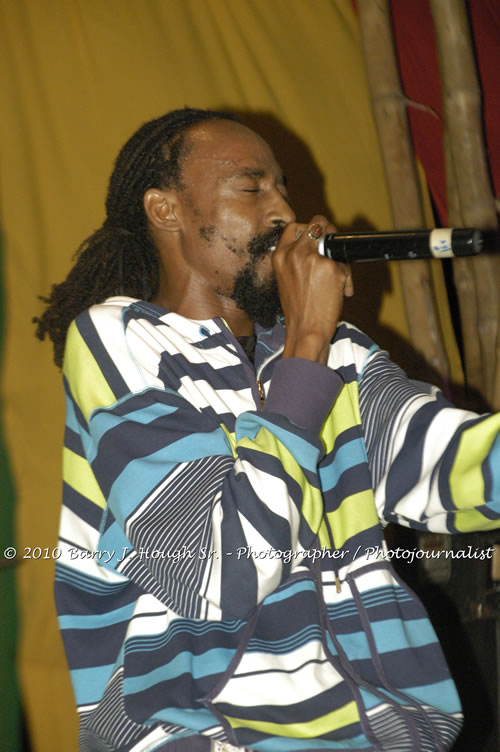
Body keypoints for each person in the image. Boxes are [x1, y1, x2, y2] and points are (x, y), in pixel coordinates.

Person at [35, 107, 500, 752]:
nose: (284, 212)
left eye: (284, 188)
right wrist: (308, 342)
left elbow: (453, 465)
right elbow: (218, 570)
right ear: (165, 209)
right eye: (252, 188)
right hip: (204, 736)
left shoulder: (335, 353)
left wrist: (311, 345)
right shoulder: (120, 340)